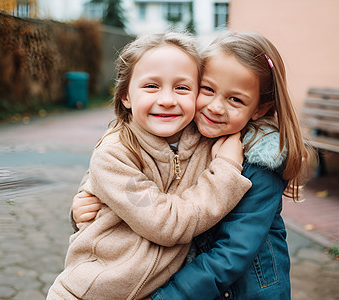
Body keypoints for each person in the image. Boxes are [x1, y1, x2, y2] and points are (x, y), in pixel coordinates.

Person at [72, 31, 313, 299]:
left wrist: (167, 297)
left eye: (235, 99)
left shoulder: (258, 159)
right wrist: (89, 195)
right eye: (208, 89)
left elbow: (232, 253)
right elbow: (129, 161)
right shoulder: (192, 131)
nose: (216, 107)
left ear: (259, 109)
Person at [46, 32, 253, 300]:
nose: (167, 99)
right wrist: (225, 170)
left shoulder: (207, 140)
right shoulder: (115, 152)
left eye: (182, 88)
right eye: (151, 86)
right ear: (126, 97)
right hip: (88, 294)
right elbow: (167, 225)